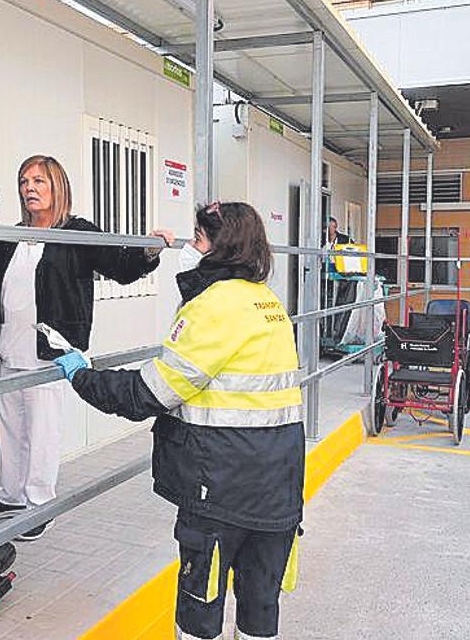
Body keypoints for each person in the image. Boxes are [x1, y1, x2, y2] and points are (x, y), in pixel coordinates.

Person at [52, 202, 305, 640]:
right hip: (277, 485)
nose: (190, 246)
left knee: (200, 604)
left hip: (222, 486)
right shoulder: (268, 302)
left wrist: (83, 375)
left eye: (199, 238)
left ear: (219, 249)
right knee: (260, 604)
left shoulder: (212, 306)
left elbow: (148, 394)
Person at [0, 155, 171, 541]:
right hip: (11, 347)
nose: (29, 188)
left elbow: (120, 265)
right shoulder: (14, 235)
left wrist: (149, 250)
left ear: (57, 187)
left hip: (51, 351)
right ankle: (12, 494)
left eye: (38, 181)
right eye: (24, 181)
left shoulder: (76, 232)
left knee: (43, 429)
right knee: (11, 426)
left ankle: (39, 504)